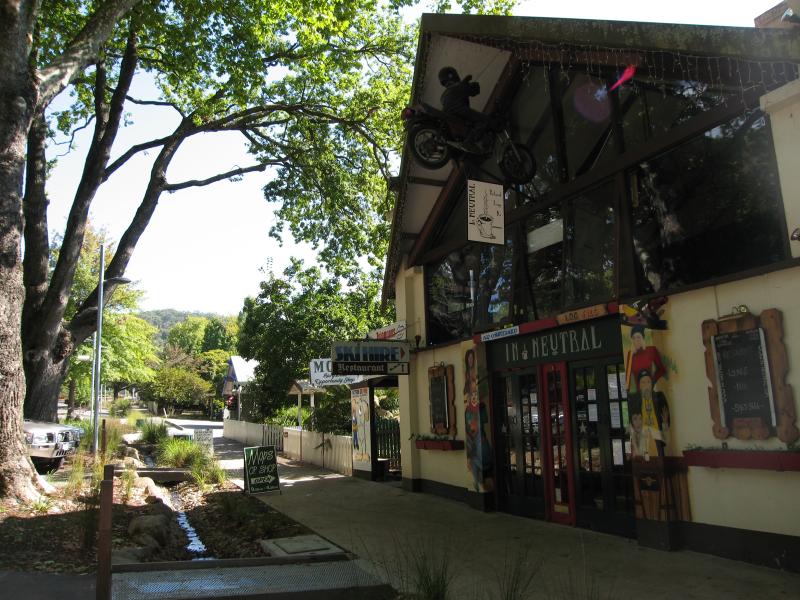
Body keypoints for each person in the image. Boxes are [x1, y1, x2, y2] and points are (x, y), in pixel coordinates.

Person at [628, 370, 670, 460]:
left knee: (658, 461)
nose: (646, 385)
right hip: (642, 438)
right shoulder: (634, 399)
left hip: (657, 437)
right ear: (639, 385)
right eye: (643, 382)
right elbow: (631, 420)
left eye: (648, 382)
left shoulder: (659, 397)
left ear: (652, 384)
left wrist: (665, 422)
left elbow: (666, 420)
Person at [625, 325, 666, 393]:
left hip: (650, 390)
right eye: (633, 338)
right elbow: (627, 378)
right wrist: (627, 393)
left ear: (643, 338)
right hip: (639, 393)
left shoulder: (651, 350)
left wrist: (652, 381)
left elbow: (662, 370)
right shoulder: (630, 354)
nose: (636, 340)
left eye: (638, 337)